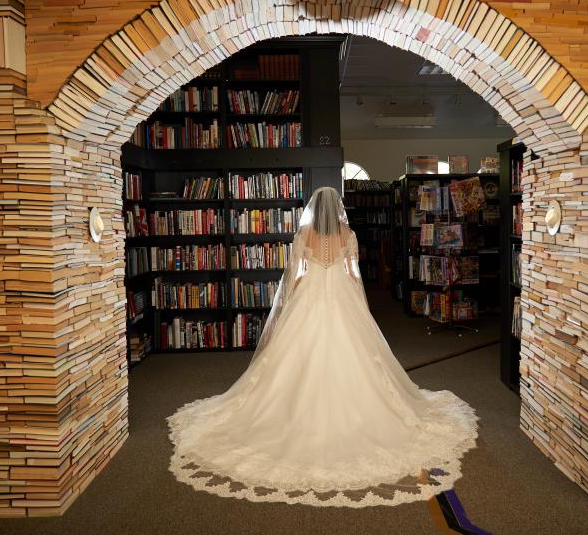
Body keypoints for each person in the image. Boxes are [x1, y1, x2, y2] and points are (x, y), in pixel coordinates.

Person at [167, 187, 478, 507]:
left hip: (309, 298)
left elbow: (295, 275)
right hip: (342, 296)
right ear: (338, 208)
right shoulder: (349, 234)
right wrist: (360, 306)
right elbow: (354, 274)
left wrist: (288, 304)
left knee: (292, 356)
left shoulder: (303, 234)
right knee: (358, 354)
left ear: (314, 209)